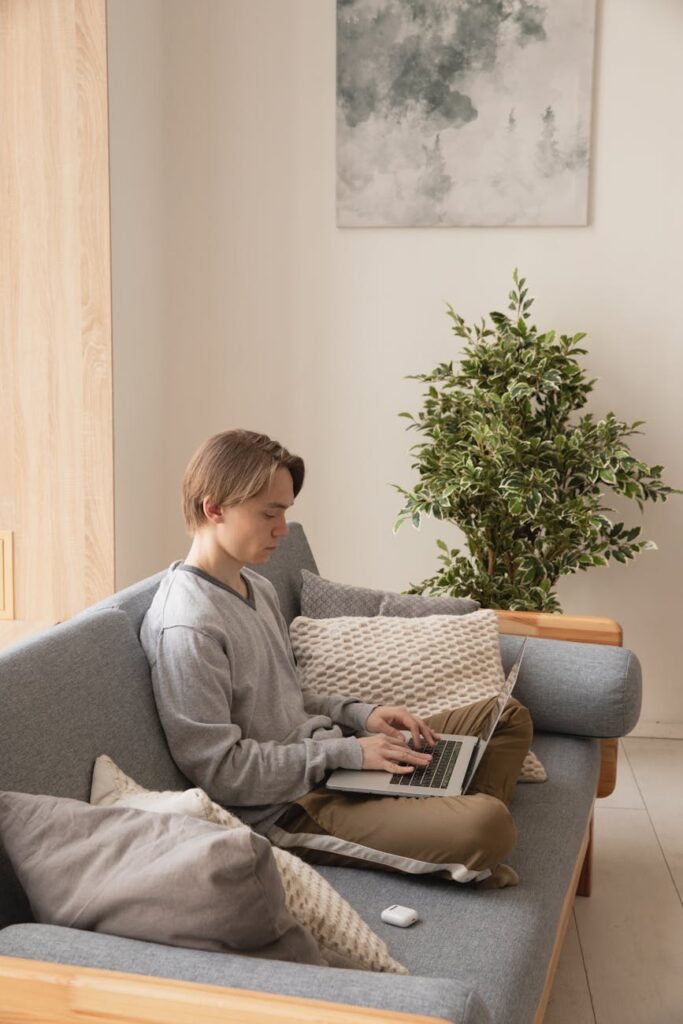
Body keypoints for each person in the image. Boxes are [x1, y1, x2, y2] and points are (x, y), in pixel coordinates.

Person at [140, 428, 533, 888]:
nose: (282, 529)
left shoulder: (256, 587)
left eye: (285, 512)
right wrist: (347, 753)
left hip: (333, 761)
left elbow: (285, 694)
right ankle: (453, 828)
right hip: (289, 807)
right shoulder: (187, 625)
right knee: (487, 824)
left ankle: (439, 817)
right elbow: (222, 772)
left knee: (506, 717)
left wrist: (361, 715)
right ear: (214, 508)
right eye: (269, 513)